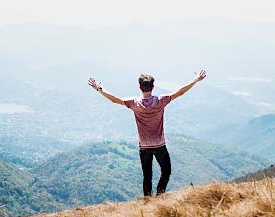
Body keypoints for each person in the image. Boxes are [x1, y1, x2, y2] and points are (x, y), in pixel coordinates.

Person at [87, 70, 207, 198]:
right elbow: (180, 92)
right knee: (166, 171)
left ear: (140, 87)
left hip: (144, 147)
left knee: (147, 176)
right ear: (153, 87)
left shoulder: (135, 103)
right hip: (159, 145)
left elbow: (114, 100)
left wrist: (98, 88)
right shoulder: (160, 101)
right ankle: (160, 195)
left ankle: (147, 201)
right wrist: (195, 80)